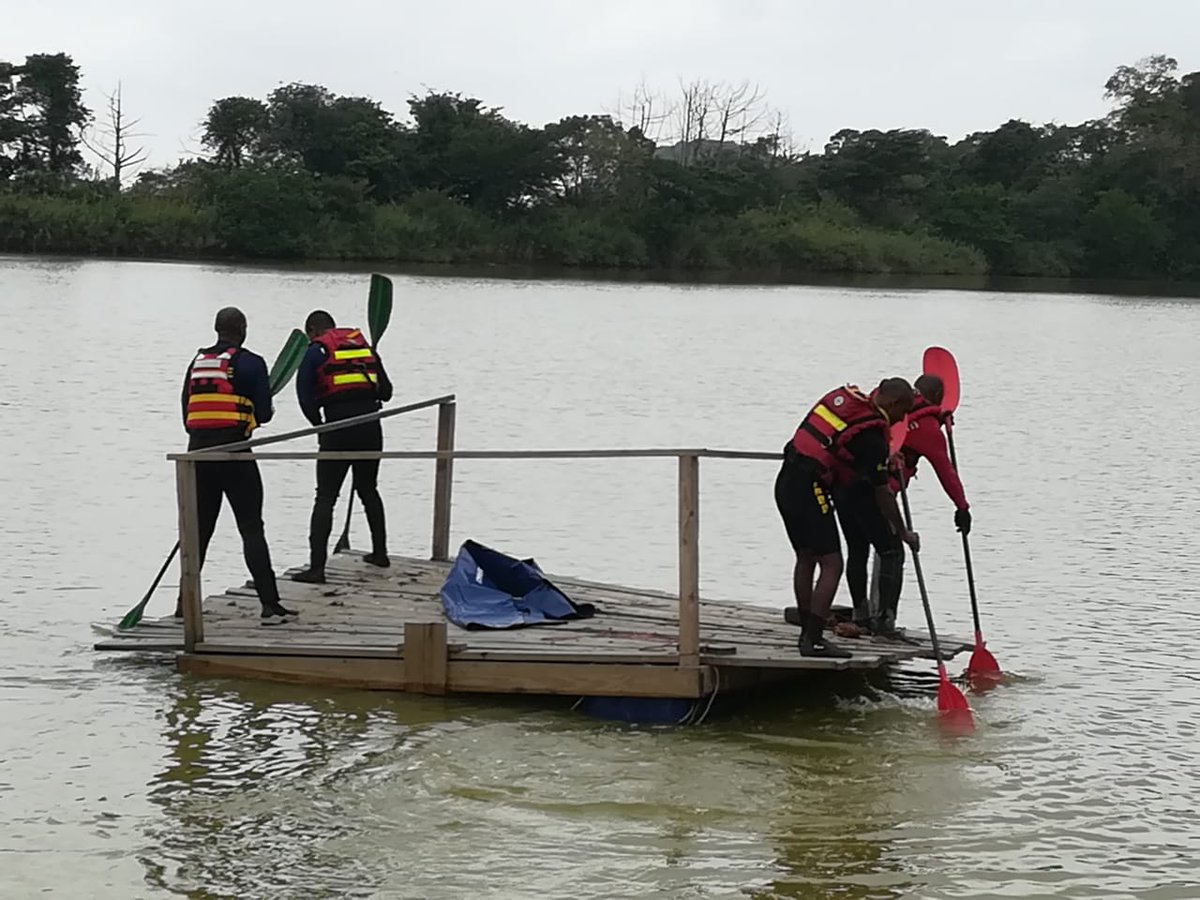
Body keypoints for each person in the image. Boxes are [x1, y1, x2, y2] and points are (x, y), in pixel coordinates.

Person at [776, 378, 919, 657]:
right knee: (832, 564)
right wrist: (903, 532)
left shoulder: (847, 404)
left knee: (806, 557)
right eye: (905, 410)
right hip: (809, 489)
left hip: (785, 481)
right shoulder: (873, 440)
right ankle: (813, 639)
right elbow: (882, 494)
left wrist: (886, 458)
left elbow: (842, 451)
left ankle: (807, 631)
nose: (904, 417)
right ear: (893, 403)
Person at [178, 306, 295, 625]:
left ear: (216, 329)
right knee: (251, 527)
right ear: (242, 329)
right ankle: (270, 604)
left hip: (197, 456)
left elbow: (186, 414)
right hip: (235, 453)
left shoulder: (197, 363)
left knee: (199, 530)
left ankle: (182, 606)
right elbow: (265, 414)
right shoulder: (252, 362)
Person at [291, 310, 394, 584]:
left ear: (313, 330)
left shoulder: (316, 351)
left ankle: (317, 569)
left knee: (325, 497)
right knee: (369, 490)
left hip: (336, 428)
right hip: (371, 427)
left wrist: (319, 425)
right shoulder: (364, 347)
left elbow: (304, 396)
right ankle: (380, 553)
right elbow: (386, 392)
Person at [865, 373, 972, 620]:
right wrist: (962, 507)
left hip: (850, 485)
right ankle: (885, 620)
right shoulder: (928, 429)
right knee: (894, 553)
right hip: (883, 492)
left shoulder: (882, 400)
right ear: (936, 398)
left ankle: (862, 614)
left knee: (859, 549)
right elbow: (946, 471)